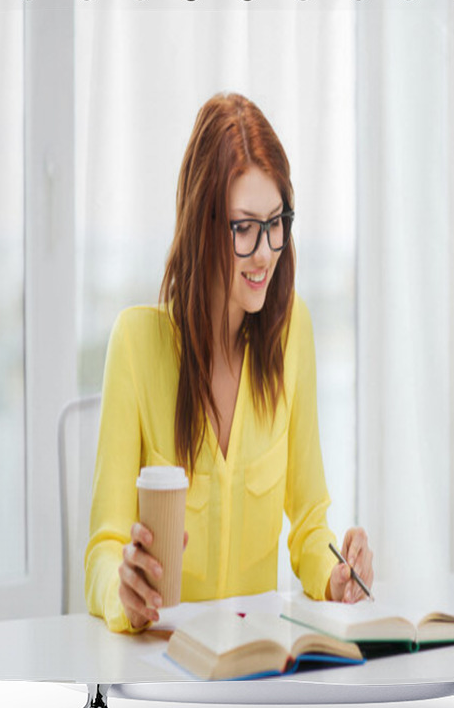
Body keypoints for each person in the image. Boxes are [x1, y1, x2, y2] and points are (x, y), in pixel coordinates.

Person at [85, 92, 373, 633]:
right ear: (202, 224)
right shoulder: (135, 344)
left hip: (255, 663)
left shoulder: (292, 333)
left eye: (275, 223)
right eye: (243, 228)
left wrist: (337, 573)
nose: (264, 252)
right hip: (163, 659)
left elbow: (310, 524)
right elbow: (103, 549)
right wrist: (122, 589)